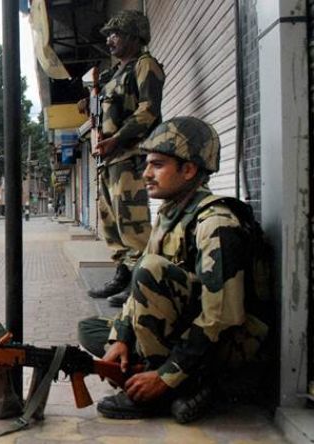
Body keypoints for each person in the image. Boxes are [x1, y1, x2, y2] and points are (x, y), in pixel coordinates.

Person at [77, 117, 269, 423]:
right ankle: (180, 382)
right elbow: (139, 292)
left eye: (157, 165)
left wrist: (165, 376)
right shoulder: (171, 213)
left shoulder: (216, 223)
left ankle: (164, 389)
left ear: (189, 170)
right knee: (92, 330)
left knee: (150, 271)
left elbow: (221, 317)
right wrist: (121, 339)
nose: (146, 174)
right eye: (146, 164)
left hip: (228, 344)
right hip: (186, 327)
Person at [82, 10, 165, 307]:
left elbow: (148, 111)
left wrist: (118, 138)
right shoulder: (114, 73)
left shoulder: (145, 66)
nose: (110, 40)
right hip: (109, 160)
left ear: (133, 36)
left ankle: (140, 288)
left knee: (134, 225)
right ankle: (122, 273)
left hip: (131, 156)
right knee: (111, 223)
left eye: (115, 34)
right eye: (108, 36)